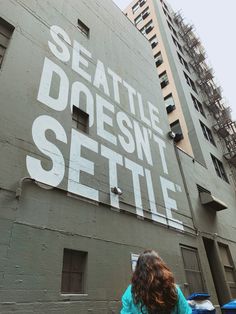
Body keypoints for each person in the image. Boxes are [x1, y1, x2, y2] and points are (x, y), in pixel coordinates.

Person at [120, 250, 192, 314]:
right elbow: (186, 312)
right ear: (161, 267)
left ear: (138, 271)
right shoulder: (173, 289)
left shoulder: (130, 292)